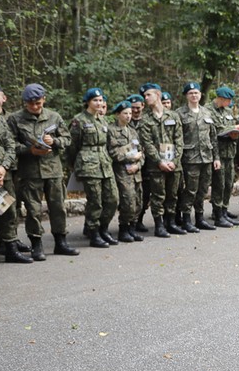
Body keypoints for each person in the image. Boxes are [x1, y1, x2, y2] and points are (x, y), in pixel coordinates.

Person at [8, 83, 79, 260]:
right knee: (33, 210)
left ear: (44, 100)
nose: (34, 107)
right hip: (29, 172)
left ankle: (61, 242)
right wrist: (29, 150)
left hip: (53, 170)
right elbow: (10, 144)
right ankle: (36, 244)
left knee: (58, 207)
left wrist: (54, 141)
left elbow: (67, 138)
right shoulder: (15, 119)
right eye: (30, 103)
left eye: (38, 103)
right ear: (25, 102)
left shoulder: (54, 116)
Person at [69, 87, 120, 248]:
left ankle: (103, 228)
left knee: (112, 199)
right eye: (95, 100)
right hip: (88, 164)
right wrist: (75, 166)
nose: (99, 103)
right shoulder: (79, 120)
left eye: (101, 100)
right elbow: (72, 146)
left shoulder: (102, 120)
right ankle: (93, 232)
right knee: (95, 201)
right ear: (88, 102)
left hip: (104, 163)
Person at [0, 103, 32, 267]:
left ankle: (10, 249)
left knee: (6, 211)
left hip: (0, 176)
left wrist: (3, 167)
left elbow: (10, 145)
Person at [138, 83, 185, 237]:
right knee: (158, 196)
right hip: (156, 165)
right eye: (144, 96)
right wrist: (160, 161)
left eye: (148, 95)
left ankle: (170, 223)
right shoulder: (146, 120)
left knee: (172, 194)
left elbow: (179, 140)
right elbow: (147, 144)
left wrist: (174, 161)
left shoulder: (173, 116)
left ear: (157, 94)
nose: (145, 98)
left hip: (173, 163)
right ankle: (159, 225)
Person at [177, 82, 219, 232]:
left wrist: (216, 157)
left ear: (200, 95)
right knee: (190, 190)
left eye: (196, 93)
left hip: (206, 157)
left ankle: (200, 218)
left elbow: (213, 137)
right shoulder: (179, 113)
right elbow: (177, 137)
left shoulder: (206, 112)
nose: (194, 95)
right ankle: (186, 219)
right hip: (190, 158)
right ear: (186, 96)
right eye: (191, 93)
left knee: (203, 190)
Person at [106, 100, 145, 242]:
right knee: (127, 201)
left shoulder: (133, 131)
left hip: (136, 172)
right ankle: (123, 229)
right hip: (122, 172)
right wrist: (130, 157)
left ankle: (132, 229)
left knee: (138, 201)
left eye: (130, 113)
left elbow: (141, 152)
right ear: (118, 114)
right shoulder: (111, 131)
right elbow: (112, 152)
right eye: (125, 113)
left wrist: (138, 165)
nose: (128, 116)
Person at [208, 86, 239, 228]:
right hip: (218, 153)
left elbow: (231, 127)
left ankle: (224, 210)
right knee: (219, 184)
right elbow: (213, 133)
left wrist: (236, 133)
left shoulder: (227, 111)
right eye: (228, 100)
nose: (230, 103)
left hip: (229, 152)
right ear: (221, 98)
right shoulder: (208, 111)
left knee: (228, 184)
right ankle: (217, 214)